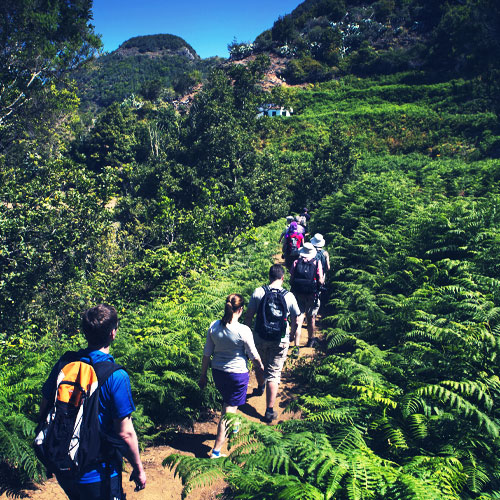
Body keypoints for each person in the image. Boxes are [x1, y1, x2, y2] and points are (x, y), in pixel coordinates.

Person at [39, 304, 146, 500]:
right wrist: (138, 468)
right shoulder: (116, 376)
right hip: (98, 472)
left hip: (65, 467)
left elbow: (45, 406)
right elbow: (125, 433)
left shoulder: (65, 364)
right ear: (113, 333)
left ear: (85, 333)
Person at [199, 294, 264, 458]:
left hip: (218, 373)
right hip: (237, 374)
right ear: (240, 309)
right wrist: (261, 367)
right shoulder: (243, 330)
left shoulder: (214, 326)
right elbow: (253, 355)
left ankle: (233, 426)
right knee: (228, 409)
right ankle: (216, 451)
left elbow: (207, 353)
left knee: (229, 401)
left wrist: (203, 376)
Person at [245, 264, 300, 423]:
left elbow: (249, 316)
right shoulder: (289, 296)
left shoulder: (258, 291)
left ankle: (261, 386)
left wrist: (247, 336)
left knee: (259, 364)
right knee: (274, 373)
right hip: (280, 339)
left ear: (269, 276)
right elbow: (296, 317)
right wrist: (292, 334)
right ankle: (269, 411)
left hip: (260, 337)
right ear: (282, 278)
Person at [290, 243, 324, 351]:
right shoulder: (316, 262)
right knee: (311, 317)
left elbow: (291, 279)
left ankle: (296, 346)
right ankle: (310, 340)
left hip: (298, 294)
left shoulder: (296, 262)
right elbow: (320, 280)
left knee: (298, 320)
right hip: (311, 295)